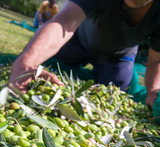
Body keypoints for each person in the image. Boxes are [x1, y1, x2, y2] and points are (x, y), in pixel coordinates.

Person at [9, 0, 160, 109]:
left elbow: (155, 61)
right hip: (78, 40)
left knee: (113, 96)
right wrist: (27, 62)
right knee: (49, 65)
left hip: (118, 57)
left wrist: (153, 91)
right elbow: (64, 22)